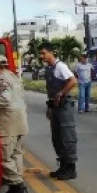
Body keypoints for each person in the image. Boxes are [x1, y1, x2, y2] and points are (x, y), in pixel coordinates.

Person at [0, 55, 29, 193]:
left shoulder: (1, 79)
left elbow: (5, 99)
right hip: (20, 122)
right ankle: (15, 187)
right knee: (16, 154)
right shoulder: (12, 76)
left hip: (8, 123)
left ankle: (18, 186)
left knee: (5, 157)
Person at [39, 42, 79, 180]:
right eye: (40, 53)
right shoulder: (49, 68)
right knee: (57, 137)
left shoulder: (60, 66)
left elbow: (73, 81)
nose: (41, 56)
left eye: (44, 53)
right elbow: (51, 91)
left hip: (64, 106)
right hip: (54, 106)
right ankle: (63, 166)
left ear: (51, 52)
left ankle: (71, 168)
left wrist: (61, 93)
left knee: (67, 136)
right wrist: (49, 108)